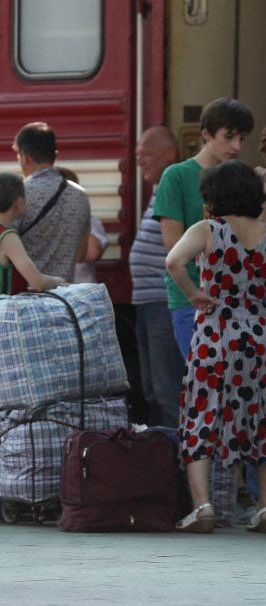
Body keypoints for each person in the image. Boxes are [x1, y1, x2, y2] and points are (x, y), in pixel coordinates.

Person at [165, 160, 266, 533]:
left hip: (215, 335)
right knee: (259, 418)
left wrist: (194, 294)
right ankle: (264, 507)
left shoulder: (208, 229)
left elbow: (173, 260)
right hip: (259, 336)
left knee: (201, 413)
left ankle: (203, 506)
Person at [0, 172, 64, 521]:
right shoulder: (7, 237)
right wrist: (59, 283)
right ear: (19, 203)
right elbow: (35, 279)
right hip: (0, 332)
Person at [154, 98, 253, 357]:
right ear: (207, 134)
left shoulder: (243, 177)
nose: (236, 146)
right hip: (194, 299)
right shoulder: (176, 176)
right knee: (206, 384)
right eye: (229, 137)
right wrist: (193, 292)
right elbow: (172, 244)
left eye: (241, 138)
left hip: (240, 301)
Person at [128, 126, 184, 428]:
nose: (140, 162)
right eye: (137, 155)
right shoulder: (160, 188)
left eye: (146, 154)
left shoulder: (172, 186)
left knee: (166, 390)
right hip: (148, 302)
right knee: (151, 390)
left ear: (169, 154)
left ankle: (180, 464)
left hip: (163, 302)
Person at [13, 122, 91, 283]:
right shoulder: (80, 195)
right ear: (55, 155)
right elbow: (81, 255)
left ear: (25, 157)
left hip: (25, 297)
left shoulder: (18, 193)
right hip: (63, 299)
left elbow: (3, 247)